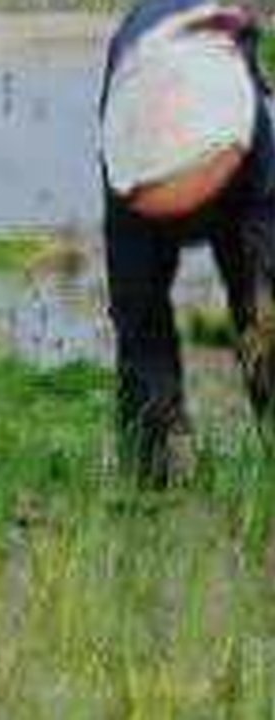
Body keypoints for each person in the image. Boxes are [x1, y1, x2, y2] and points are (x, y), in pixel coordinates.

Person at [99, 0, 275, 485]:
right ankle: (152, 476)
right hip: (141, 143)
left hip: (241, 170)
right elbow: (137, 322)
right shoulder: (129, 121)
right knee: (140, 322)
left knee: (264, 314)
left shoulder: (240, 117)